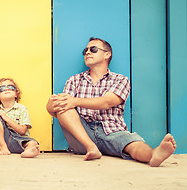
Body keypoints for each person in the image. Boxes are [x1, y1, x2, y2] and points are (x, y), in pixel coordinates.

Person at [46, 37, 177, 166]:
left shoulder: (120, 80)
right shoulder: (74, 80)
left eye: (93, 49)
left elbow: (107, 102)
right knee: (65, 106)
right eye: (85, 50)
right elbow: (61, 109)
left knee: (134, 145)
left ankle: (153, 155)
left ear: (107, 54)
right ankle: (91, 147)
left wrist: (75, 101)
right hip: (82, 135)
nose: (87, 52)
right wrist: (51, 106)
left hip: (112, 130)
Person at [0, 78, 40, 158]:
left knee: (33, 143)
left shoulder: (22, 109)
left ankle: (27, 152)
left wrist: (6, 118)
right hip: (3, 141)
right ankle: (3, 147)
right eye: (2, 88)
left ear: (16, 94)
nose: (7, 89)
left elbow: (22, 131)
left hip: (19, 140)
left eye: (11, 87)